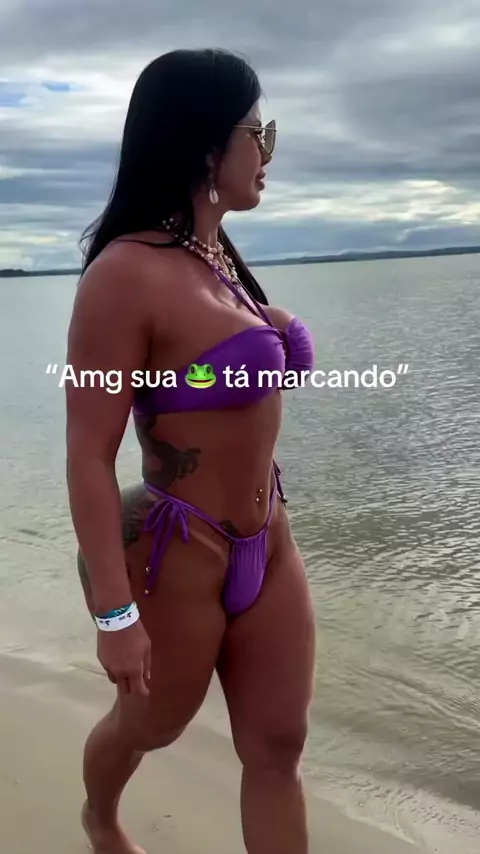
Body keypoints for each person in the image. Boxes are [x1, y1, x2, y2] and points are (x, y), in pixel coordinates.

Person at [66, 47, 316, 854]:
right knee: (151, 725)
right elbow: (88, 455)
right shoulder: (123, 275)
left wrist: (272, 328)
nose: (268, 152)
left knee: (278, 747)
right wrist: (115, 616)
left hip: (268, 541)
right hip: (179, 554)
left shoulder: (221, 261)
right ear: (208, 146)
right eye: (258, 133)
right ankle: (100, 817)